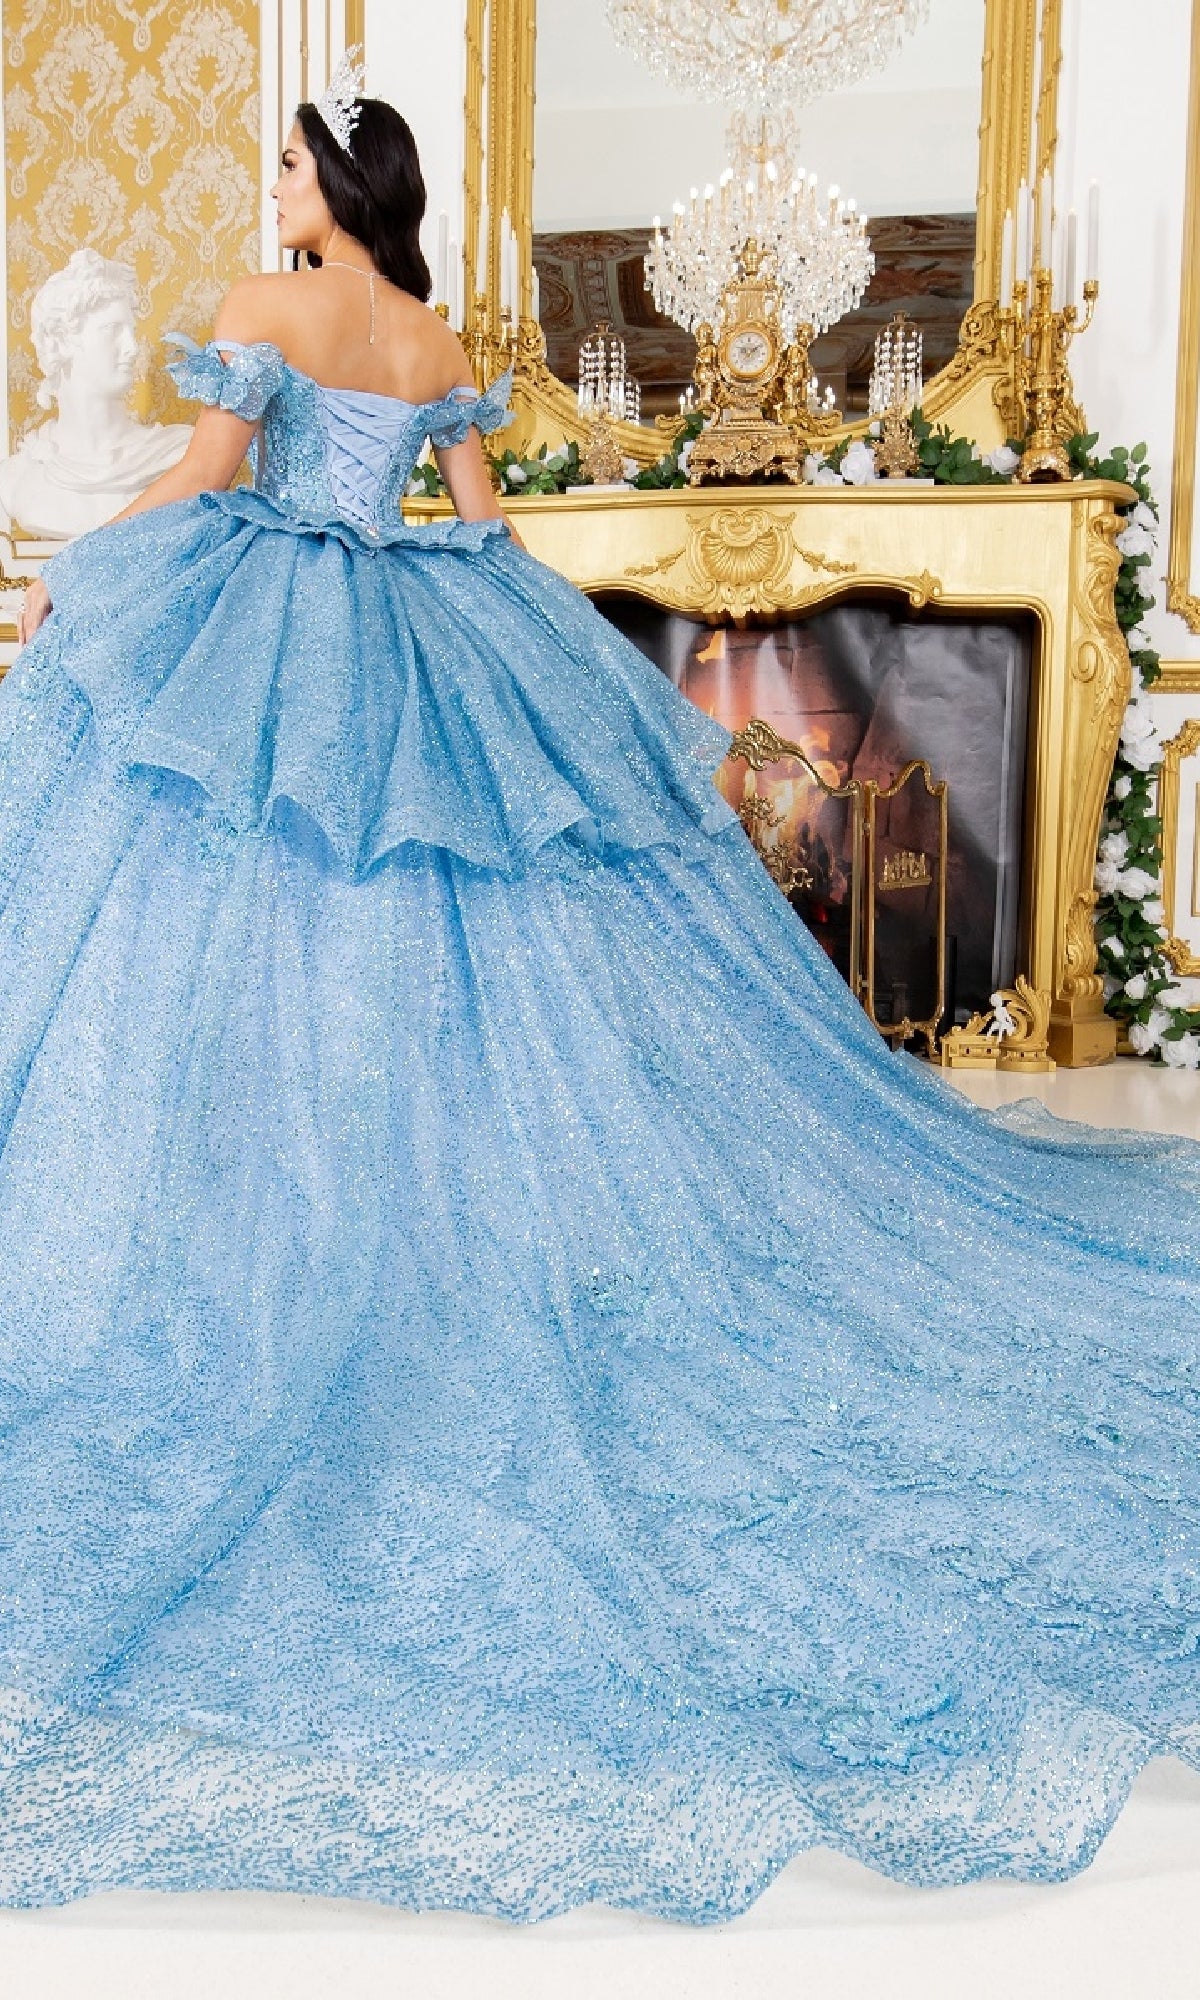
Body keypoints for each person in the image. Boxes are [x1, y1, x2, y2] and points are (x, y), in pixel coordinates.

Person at [1, 59, 1198, 1922]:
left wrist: (92, 573)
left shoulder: (262, 310)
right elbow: (481, 528)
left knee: (269, 901)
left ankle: (268, 1207)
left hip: (280, 626)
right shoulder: (429, 327)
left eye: (294, 163)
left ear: (337, 181)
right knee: (461, 915)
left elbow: (199, 475)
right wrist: (478, 631)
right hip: (427, 628)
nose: (277, 184)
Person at [0, 250, 190, 540]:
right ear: (60, 342)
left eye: (131, 331)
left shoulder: (176, 455)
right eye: (113, 330)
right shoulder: (15, 478)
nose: (132, 347)